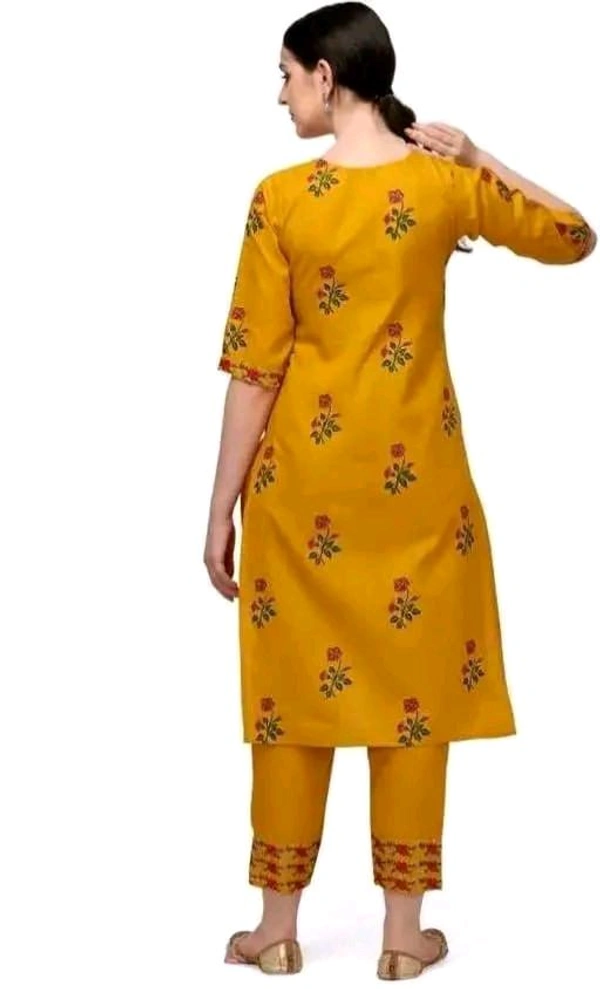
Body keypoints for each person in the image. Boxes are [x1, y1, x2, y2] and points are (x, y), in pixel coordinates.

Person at [204, 1, 595, 979]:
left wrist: (218, 507)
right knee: (412, 703)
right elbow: (573, 235)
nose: (280, 95)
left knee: (291, 701)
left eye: (286, 74)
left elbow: (255, 367)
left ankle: (276, 928)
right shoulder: (441, 184)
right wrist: (481, 157)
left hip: (301, 492)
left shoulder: (282, 198)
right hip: (419, 488)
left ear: (327, 78)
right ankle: (402, 937)